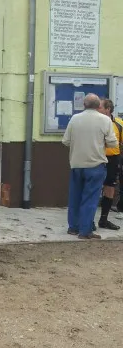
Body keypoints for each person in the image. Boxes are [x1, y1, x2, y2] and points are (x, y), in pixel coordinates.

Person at [62, 94, 118, 239]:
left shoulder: (75, 118)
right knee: (90, 198)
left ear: (84, 105)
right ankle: (85, 230)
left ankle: (73, 227)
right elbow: (113, 143)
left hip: (76, 164)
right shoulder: (105, 120)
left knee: (75, 197)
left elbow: (66, 141)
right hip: (95, 165)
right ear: (98, 106)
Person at [96, 99, 122, 231]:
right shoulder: (95, 121)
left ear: (108, 109)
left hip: (113, 158)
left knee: (110, 187)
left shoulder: (118, 123)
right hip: (97, 157)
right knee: (94, 186)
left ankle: (104, 219)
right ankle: (88, 220)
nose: (97, 109)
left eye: (100, 107)